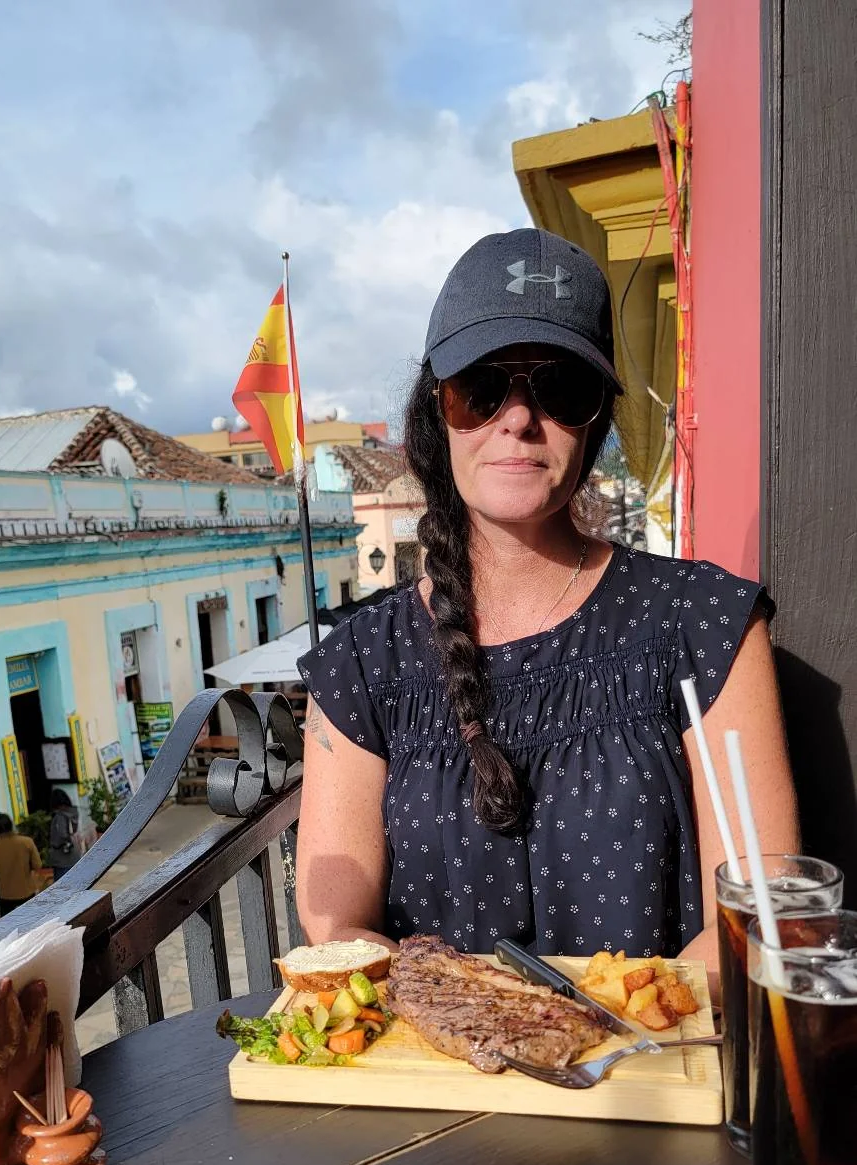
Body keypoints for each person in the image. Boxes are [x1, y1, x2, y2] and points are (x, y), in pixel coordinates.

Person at [295, 228, 798, 982]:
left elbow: (761, 910)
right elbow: (338, 923)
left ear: (595, 420)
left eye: (561, 388)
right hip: (437, 1081)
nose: (519, 419)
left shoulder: (705, 625)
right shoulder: (362, 665)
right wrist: (483, 1022)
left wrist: (597, 1040)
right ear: (438, 411)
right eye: (481, 388)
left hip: (655, 1076)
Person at [0, 814, 41, 915]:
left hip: (5, 896)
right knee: (33, 923)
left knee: (9, 927)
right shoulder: (27, 842)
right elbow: (37, 865)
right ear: (11, 825)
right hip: (27, 891)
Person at [49, 789, 81, 880]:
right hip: (74, 853)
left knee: (63, 888)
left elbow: (62, 835)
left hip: (63, 858)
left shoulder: (60, 816)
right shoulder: (72, 812)